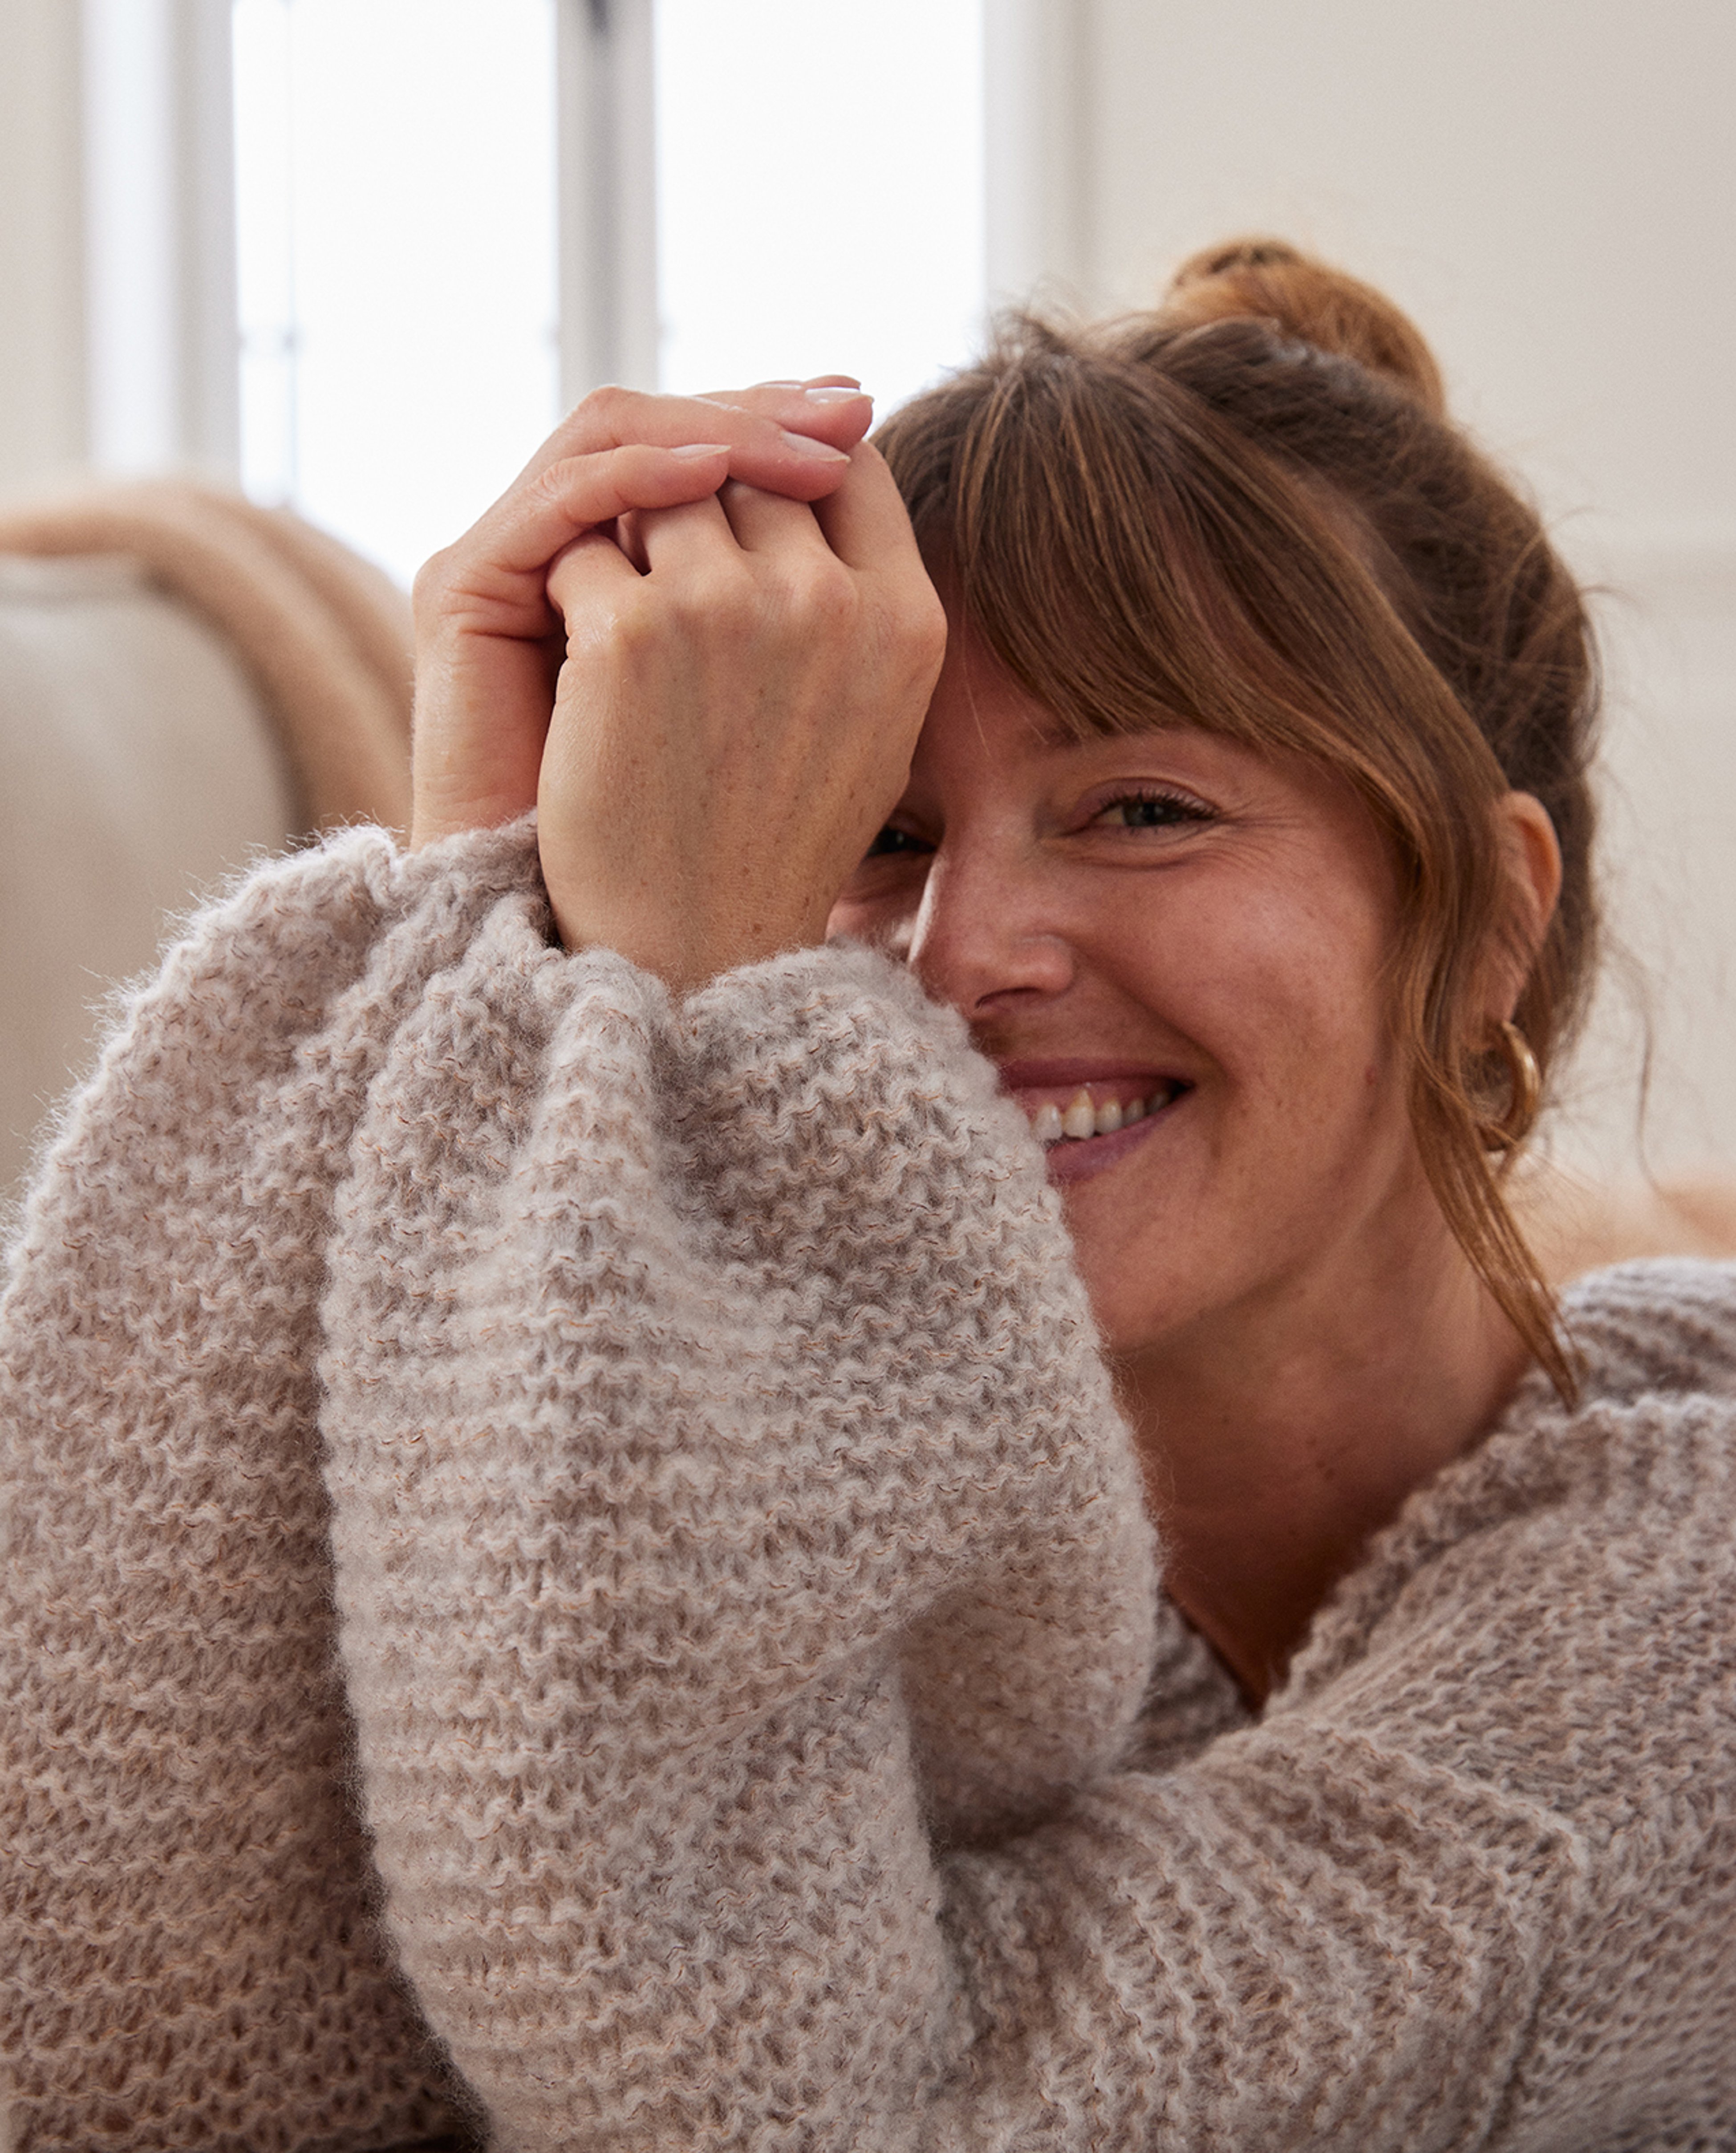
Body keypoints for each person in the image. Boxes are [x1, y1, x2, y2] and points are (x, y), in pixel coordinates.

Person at [2, 242, 1733, 2151]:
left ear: (1485, 921)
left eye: (1144, 809)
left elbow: (794, 2116)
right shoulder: (915, 1518)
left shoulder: (1691, 1599)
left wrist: (641, 1031)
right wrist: (498, 931)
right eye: (876, 833)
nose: (963, 951)